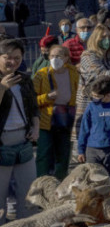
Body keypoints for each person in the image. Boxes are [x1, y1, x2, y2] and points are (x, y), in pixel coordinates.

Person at [0, 39, 39, 225]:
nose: (13, 62)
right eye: (8, 58)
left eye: (17, 58)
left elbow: (33, 106)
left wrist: (36, 126)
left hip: (23, 138)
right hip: (2, 141)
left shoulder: (24, 79)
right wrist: (2, 88)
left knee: (29, 192)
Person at [32, 45, 77, 180]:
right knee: (44, 154)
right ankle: (41, 182)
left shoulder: (74, 73)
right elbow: (31, 99)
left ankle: (60, 182)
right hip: (46, 120)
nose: (55, 59)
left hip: (67, 118)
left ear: (66, 58)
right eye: (52, 56)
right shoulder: (41, 74)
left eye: (59, 56)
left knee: (64, 154)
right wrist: (47, 97)